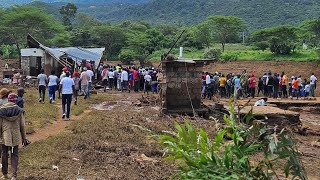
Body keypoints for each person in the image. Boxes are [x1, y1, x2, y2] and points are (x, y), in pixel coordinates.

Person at [0, 93, 27, 180]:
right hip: (16, 135)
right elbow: (22, 126)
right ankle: (13, 176)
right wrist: (24, 138)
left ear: (8, 100)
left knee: (4, 153)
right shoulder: (19, 110)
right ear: (16, 101)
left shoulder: (1, 110)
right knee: (14, 154)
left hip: (5, 135)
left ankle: (4, 174)